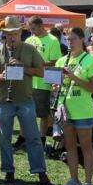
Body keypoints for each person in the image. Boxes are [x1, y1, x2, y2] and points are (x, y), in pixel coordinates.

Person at [0, 16, 51, 185]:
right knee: (4, 138)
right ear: (5, 34)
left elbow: (42, 72)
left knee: (33, 137)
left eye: (15, 33)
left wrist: (24, 67)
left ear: (20, 32)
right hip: (4, 101)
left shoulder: (30, 49)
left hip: (25, 100)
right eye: (8, 34)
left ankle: (40, 172)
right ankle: (8, 171)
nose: (12, 37)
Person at [54, 27, 93, 185]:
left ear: (82, 39)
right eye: (67, 39)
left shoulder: (90, 61)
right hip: (65, 110)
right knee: (70, 146)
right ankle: (74, 180)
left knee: (86, 147)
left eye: (73, 39)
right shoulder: (61, 61)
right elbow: (56, 84)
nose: (70, 42)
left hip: (83, 111)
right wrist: (56, 86)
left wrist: (73, 76)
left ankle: (88, 183)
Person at [25, 16, 62, 151]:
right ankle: (25, 138)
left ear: (41, 26)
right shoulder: (29, 39)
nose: (32, 32)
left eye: (34, 29)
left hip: (44, 84)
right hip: (28, 82)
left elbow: (55, 62)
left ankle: (41, 138)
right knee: (27, 112)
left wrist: (38, 65)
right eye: (30, 29)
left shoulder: (53, 40)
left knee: (43, 114)